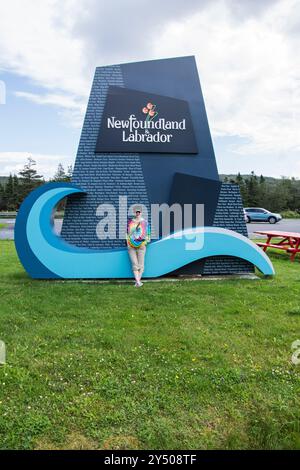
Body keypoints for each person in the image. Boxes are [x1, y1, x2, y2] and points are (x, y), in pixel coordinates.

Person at [126, 205, 151, 287]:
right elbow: (127, 234)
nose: (138, 213)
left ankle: (137, 282)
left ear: (141, 212)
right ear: (134, 212)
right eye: (136, 212)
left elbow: (148, 234)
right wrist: (128, 243)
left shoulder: (145, 222)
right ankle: (138, 282)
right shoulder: (131, 222)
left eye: (139, 211)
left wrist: (145, 242)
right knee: (134, 264)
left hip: (141, 246)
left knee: (141, 265)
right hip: (131, 246)